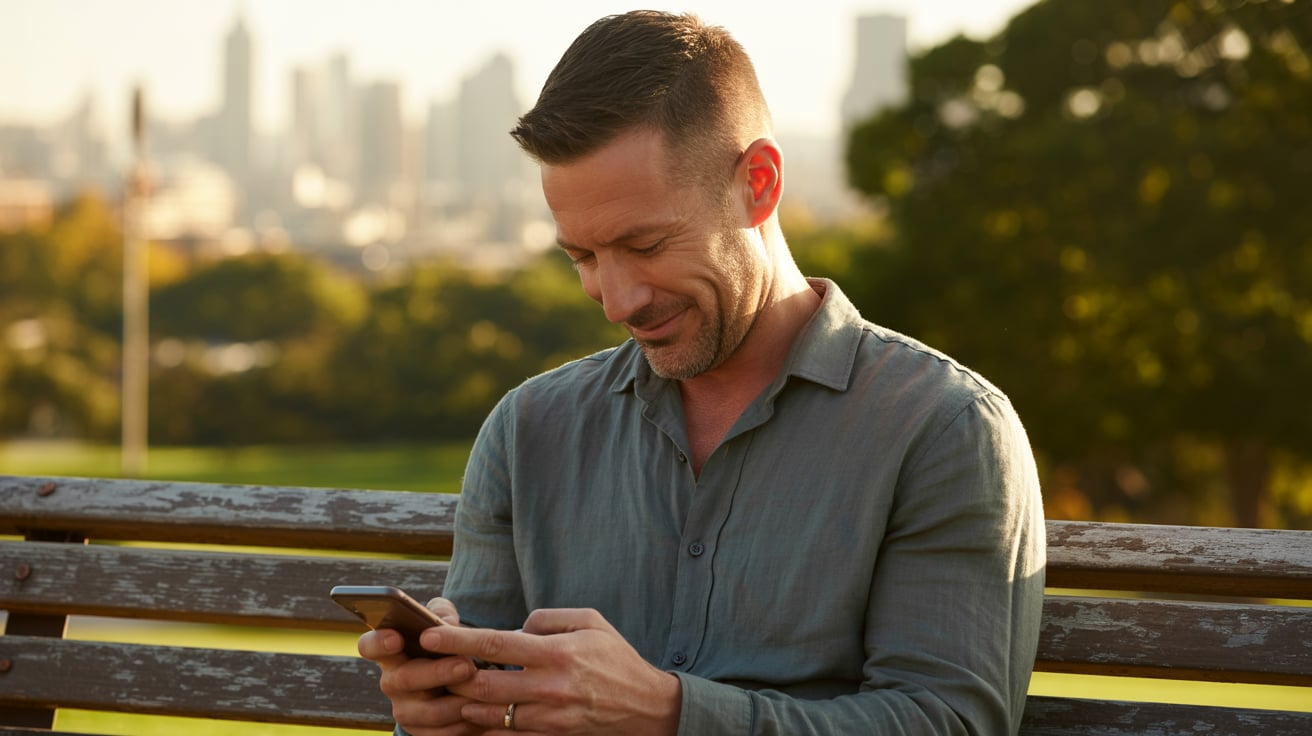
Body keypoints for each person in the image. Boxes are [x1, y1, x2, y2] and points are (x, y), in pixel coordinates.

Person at [358, 10, 1045, 735]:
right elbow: (484, 704)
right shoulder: (527, 431)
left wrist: (668, 713)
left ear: (759, 182)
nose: (616, 300)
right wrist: (437, 713)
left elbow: (948, 722)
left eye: (646, 243)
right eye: (583, 259)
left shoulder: (942, 429)